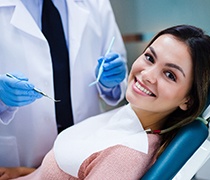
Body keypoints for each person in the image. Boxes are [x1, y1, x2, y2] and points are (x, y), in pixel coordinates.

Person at [2, 24, 210, 179]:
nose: (147, 74)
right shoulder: (129, 117)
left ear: (188, 100)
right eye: (149, 58)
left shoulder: (125, 156)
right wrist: (22, 173)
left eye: (170, 75)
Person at [0, 0, 127, 172]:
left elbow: (116, 58)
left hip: (86, 147)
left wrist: (110, 82)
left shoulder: (96, 4)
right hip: (19, 156)